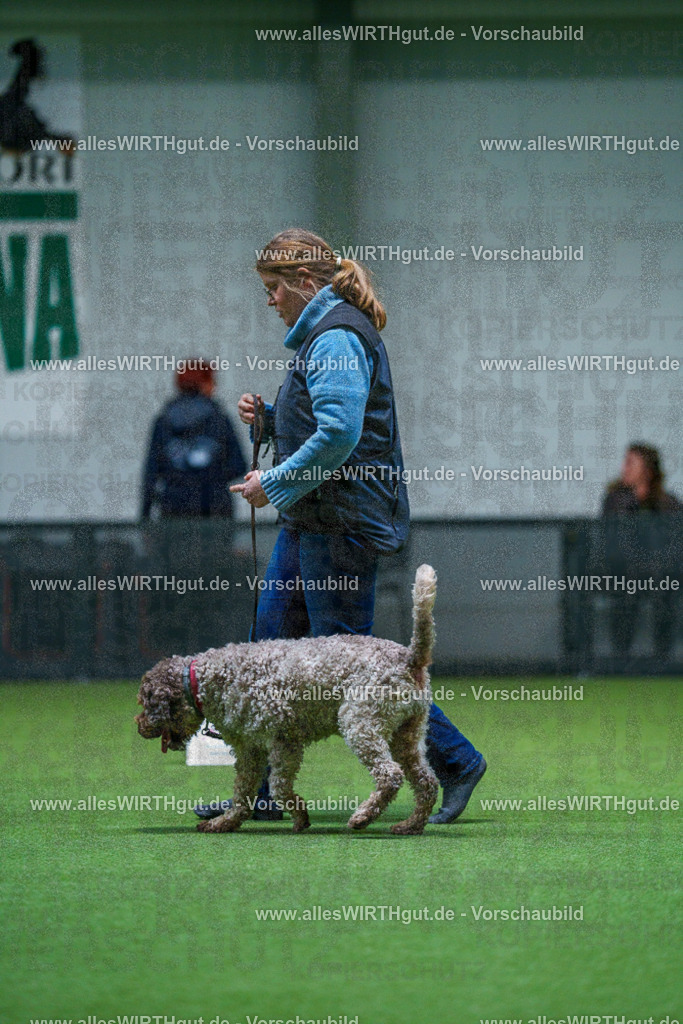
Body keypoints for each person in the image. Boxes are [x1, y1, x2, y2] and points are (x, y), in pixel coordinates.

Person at [195, 228, 485, 824]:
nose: (268, 300)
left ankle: (455, 762)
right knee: (267, 655)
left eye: (274, 288)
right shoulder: (324, 337)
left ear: (306, 283)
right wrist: (274, 420)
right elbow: (323, 427)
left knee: (368, 673)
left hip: (340, 526)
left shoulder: (336, 339)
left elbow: (340, 436)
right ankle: (265, 795)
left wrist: (270, 483)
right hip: (311, 521)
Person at [601, 443, 682, 660]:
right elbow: (614, 541)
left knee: (666, 588)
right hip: (625, 571)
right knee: (628, 589)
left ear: (647, 470)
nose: (624, 468)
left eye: (630, 463)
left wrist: (658, 565)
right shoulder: (616, 500)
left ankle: (664, 657)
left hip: (660, 572)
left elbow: (674, 542)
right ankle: (621, 656)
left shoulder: (669, 503)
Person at [140, 361, 247, 519]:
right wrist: (211, 478)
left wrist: (145, 518)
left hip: (173, 511)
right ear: (205, 384)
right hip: (215, 511)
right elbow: (239, 465)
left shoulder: (163, 421)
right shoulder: (219, 419)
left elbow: (151, 474)